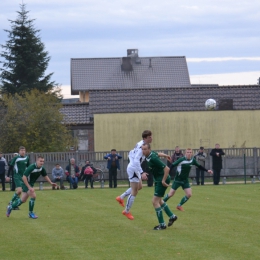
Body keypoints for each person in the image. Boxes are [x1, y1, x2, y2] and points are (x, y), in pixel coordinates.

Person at [116, 130, 171, 220]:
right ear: (145, 138)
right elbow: (136, 160)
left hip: (134, 168)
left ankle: (121, 197)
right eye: (149, 137)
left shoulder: (142, 144)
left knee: (139, 186)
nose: (151, 138)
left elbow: (151, 154)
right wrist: (141, 172)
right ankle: (126, 211)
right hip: (134, 168)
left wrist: (165, 155)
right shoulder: (142, 147)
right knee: (135, 190)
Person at [142, 143, 178, 230]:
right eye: (142, 149)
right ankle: (172, 216)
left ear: (149, 150)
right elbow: (158, 153)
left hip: (162, 179)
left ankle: (162, 225)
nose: (143, 151)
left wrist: (163, 180)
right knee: (160, 201)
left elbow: (167, 169)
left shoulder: (153, 158)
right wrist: (165, 155)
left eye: (145, 149)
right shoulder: (151, 154)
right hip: (158, 179)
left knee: (155, 202)